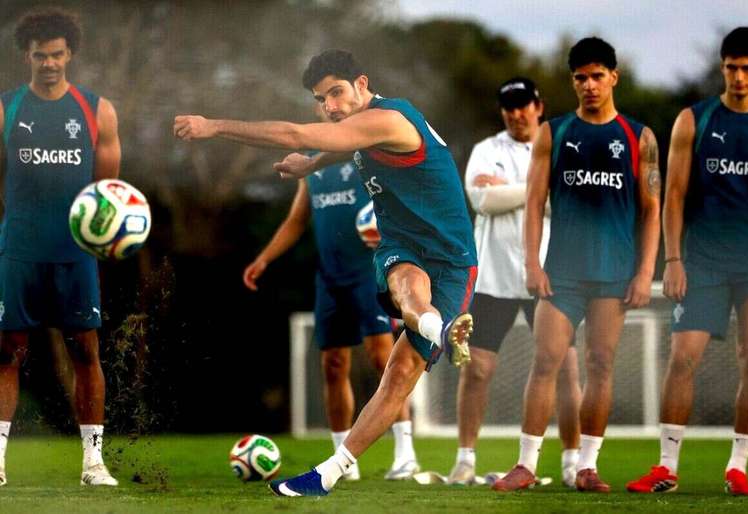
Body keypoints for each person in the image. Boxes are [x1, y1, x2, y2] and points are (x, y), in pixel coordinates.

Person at [174, 49, 477, 497]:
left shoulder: (389, 119)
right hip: (402, 245)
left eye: (336, 93)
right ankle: (439, 331)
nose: (330, 106)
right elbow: (348, 148)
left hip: (451, 258)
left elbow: (295, 133)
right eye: (321, 99)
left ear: (362, 83)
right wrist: (312, 164)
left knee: (399, 374)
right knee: (406, 289)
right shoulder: (367, 127)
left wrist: (214, 126)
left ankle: (436, 336)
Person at [491, 37, 661, 493]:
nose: (589, 85)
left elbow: (652, 210)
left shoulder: (640, 137)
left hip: (614, 273)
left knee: (600, 364)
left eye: (597, 76)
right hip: (561, 273)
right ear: (573, 81)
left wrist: (646, 271)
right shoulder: (554, 132)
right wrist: (532, 263)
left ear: (613, 77)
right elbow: (533, 202)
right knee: (545, 360)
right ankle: (526, 465)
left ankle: (587, 467)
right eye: (580, 78)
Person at [627, 27, 748, 497]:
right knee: (683, 357)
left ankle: (738, 468)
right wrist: (672, 258)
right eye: (731, 67)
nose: (738, 77)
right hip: (703, 262)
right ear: (722, 68)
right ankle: (666, 467)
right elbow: (673, 194)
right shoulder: (694, 120)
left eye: (747, 68)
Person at [241, 108, 419, 481]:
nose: (330, 109)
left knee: (382, 358)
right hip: (330, 278)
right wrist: (264, 258)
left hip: (369, 273)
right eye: (323, 103)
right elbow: (296, 220)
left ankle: (406, 454)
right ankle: (343, 460)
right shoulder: (311, 164)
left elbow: (400, 202)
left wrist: (388, 233)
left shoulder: (366, 154)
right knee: (333, 365)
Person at [0, 8, 121, 486]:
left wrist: (99, 239)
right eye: (40, 56)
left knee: (86, 351)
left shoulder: (97, 110)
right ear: (26, 56)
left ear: (70, 54)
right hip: (19, 251)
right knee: (7, 353)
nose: (48, 63)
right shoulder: (6, 109)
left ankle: (94, 464)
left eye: (56, 55)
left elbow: (106, 194)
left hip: (75, 254)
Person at [449, 77, 581, 487]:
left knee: (566, 370)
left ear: (538, 106)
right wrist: (539, 191)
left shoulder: (561, 147)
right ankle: (465, 459)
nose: (516, 113)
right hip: (493, 277)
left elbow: (569, 201)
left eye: (523, 105)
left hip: (548, 275)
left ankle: (573, 462)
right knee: (477, 369)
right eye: (509, 106)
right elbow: (481, 199)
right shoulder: (487, 149)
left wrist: (511, 190)